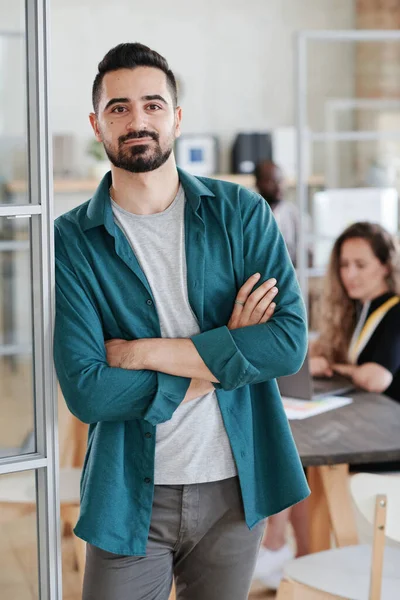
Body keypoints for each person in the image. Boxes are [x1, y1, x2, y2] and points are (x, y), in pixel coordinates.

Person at [53, 43, 309, 600]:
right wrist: (228, 352)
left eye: (152, 104)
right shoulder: (71, 239)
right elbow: (89, 392)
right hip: (128, 492)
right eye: (119, 108)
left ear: (176, 117)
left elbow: (287, 344)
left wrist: (140, 353)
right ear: (97, 125)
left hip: (235, 486)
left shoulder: (240, 213)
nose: (137, 119)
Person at [253, 220, 400, 590]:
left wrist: (334, 366)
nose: (349, 274)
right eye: (344, 264)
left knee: (301, 460)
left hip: (385, 439)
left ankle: (284, 549)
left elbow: (375, 376)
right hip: (367, 425)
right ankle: (300, 556)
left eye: (360, 265)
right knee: (299, 458)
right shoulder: (360, 309)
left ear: (386, 265)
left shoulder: (395, 310)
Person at [254, 160, 305, 266]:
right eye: (271, 181)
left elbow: (306, 252)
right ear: (258, 183)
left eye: (280, 181)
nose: (278, 187)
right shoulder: (250, 213)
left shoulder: (293, 213)